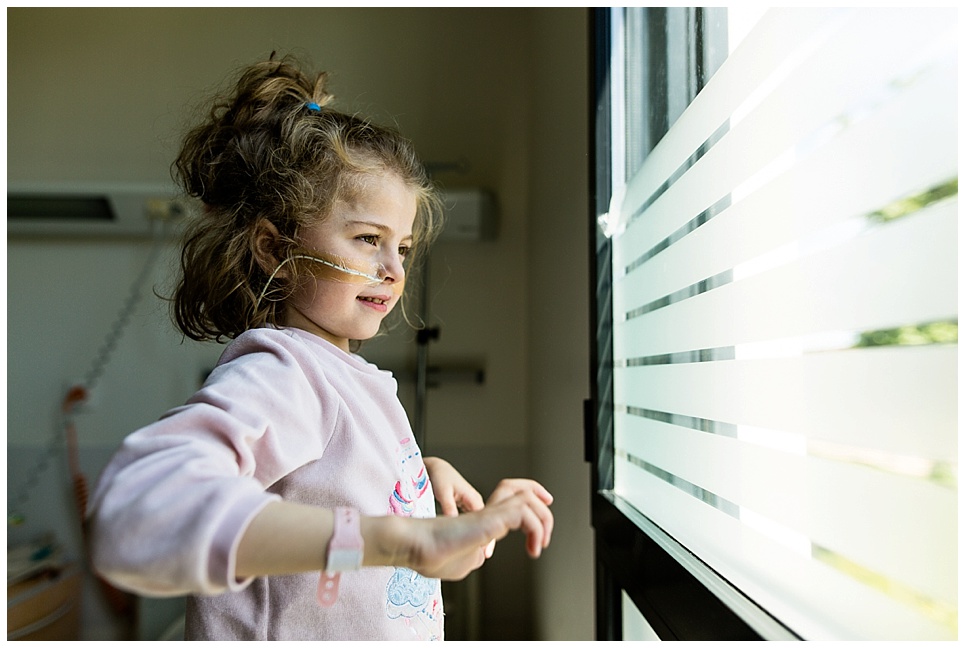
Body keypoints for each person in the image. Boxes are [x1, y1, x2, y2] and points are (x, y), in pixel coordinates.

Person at [87, 54, 554, 641]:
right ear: (271, 249)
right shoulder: (285, 372)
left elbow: (323, 477)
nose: (392, 270)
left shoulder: (343, 377)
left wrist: (413, 483)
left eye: (403, 249)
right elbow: (138, 514)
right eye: (367, 240)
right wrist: (402, 540)